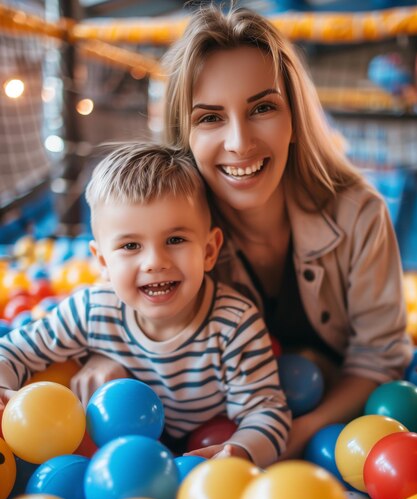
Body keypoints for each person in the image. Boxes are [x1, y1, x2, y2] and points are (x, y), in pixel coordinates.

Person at [71, 3, 412, 459]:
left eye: (263, 108)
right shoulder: (173, 229)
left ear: (293, 120)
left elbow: (379, 357)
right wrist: (114, 352)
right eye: (210, 117)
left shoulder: (358, 214)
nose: (239, 142)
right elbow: (123, 291)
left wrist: (301, 430)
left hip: (319, 421)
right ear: (184, 134)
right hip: (221, 424)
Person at [0, 142, 291, 467]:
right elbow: (12, 351)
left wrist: (240, 450)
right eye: (130, 245)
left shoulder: (234, 325)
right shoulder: (93, 309)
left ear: (209, 250)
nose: (155, 261)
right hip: (108, 458)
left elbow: (267, 414)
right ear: (103, 262)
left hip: (195, 455)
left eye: (175, 240)